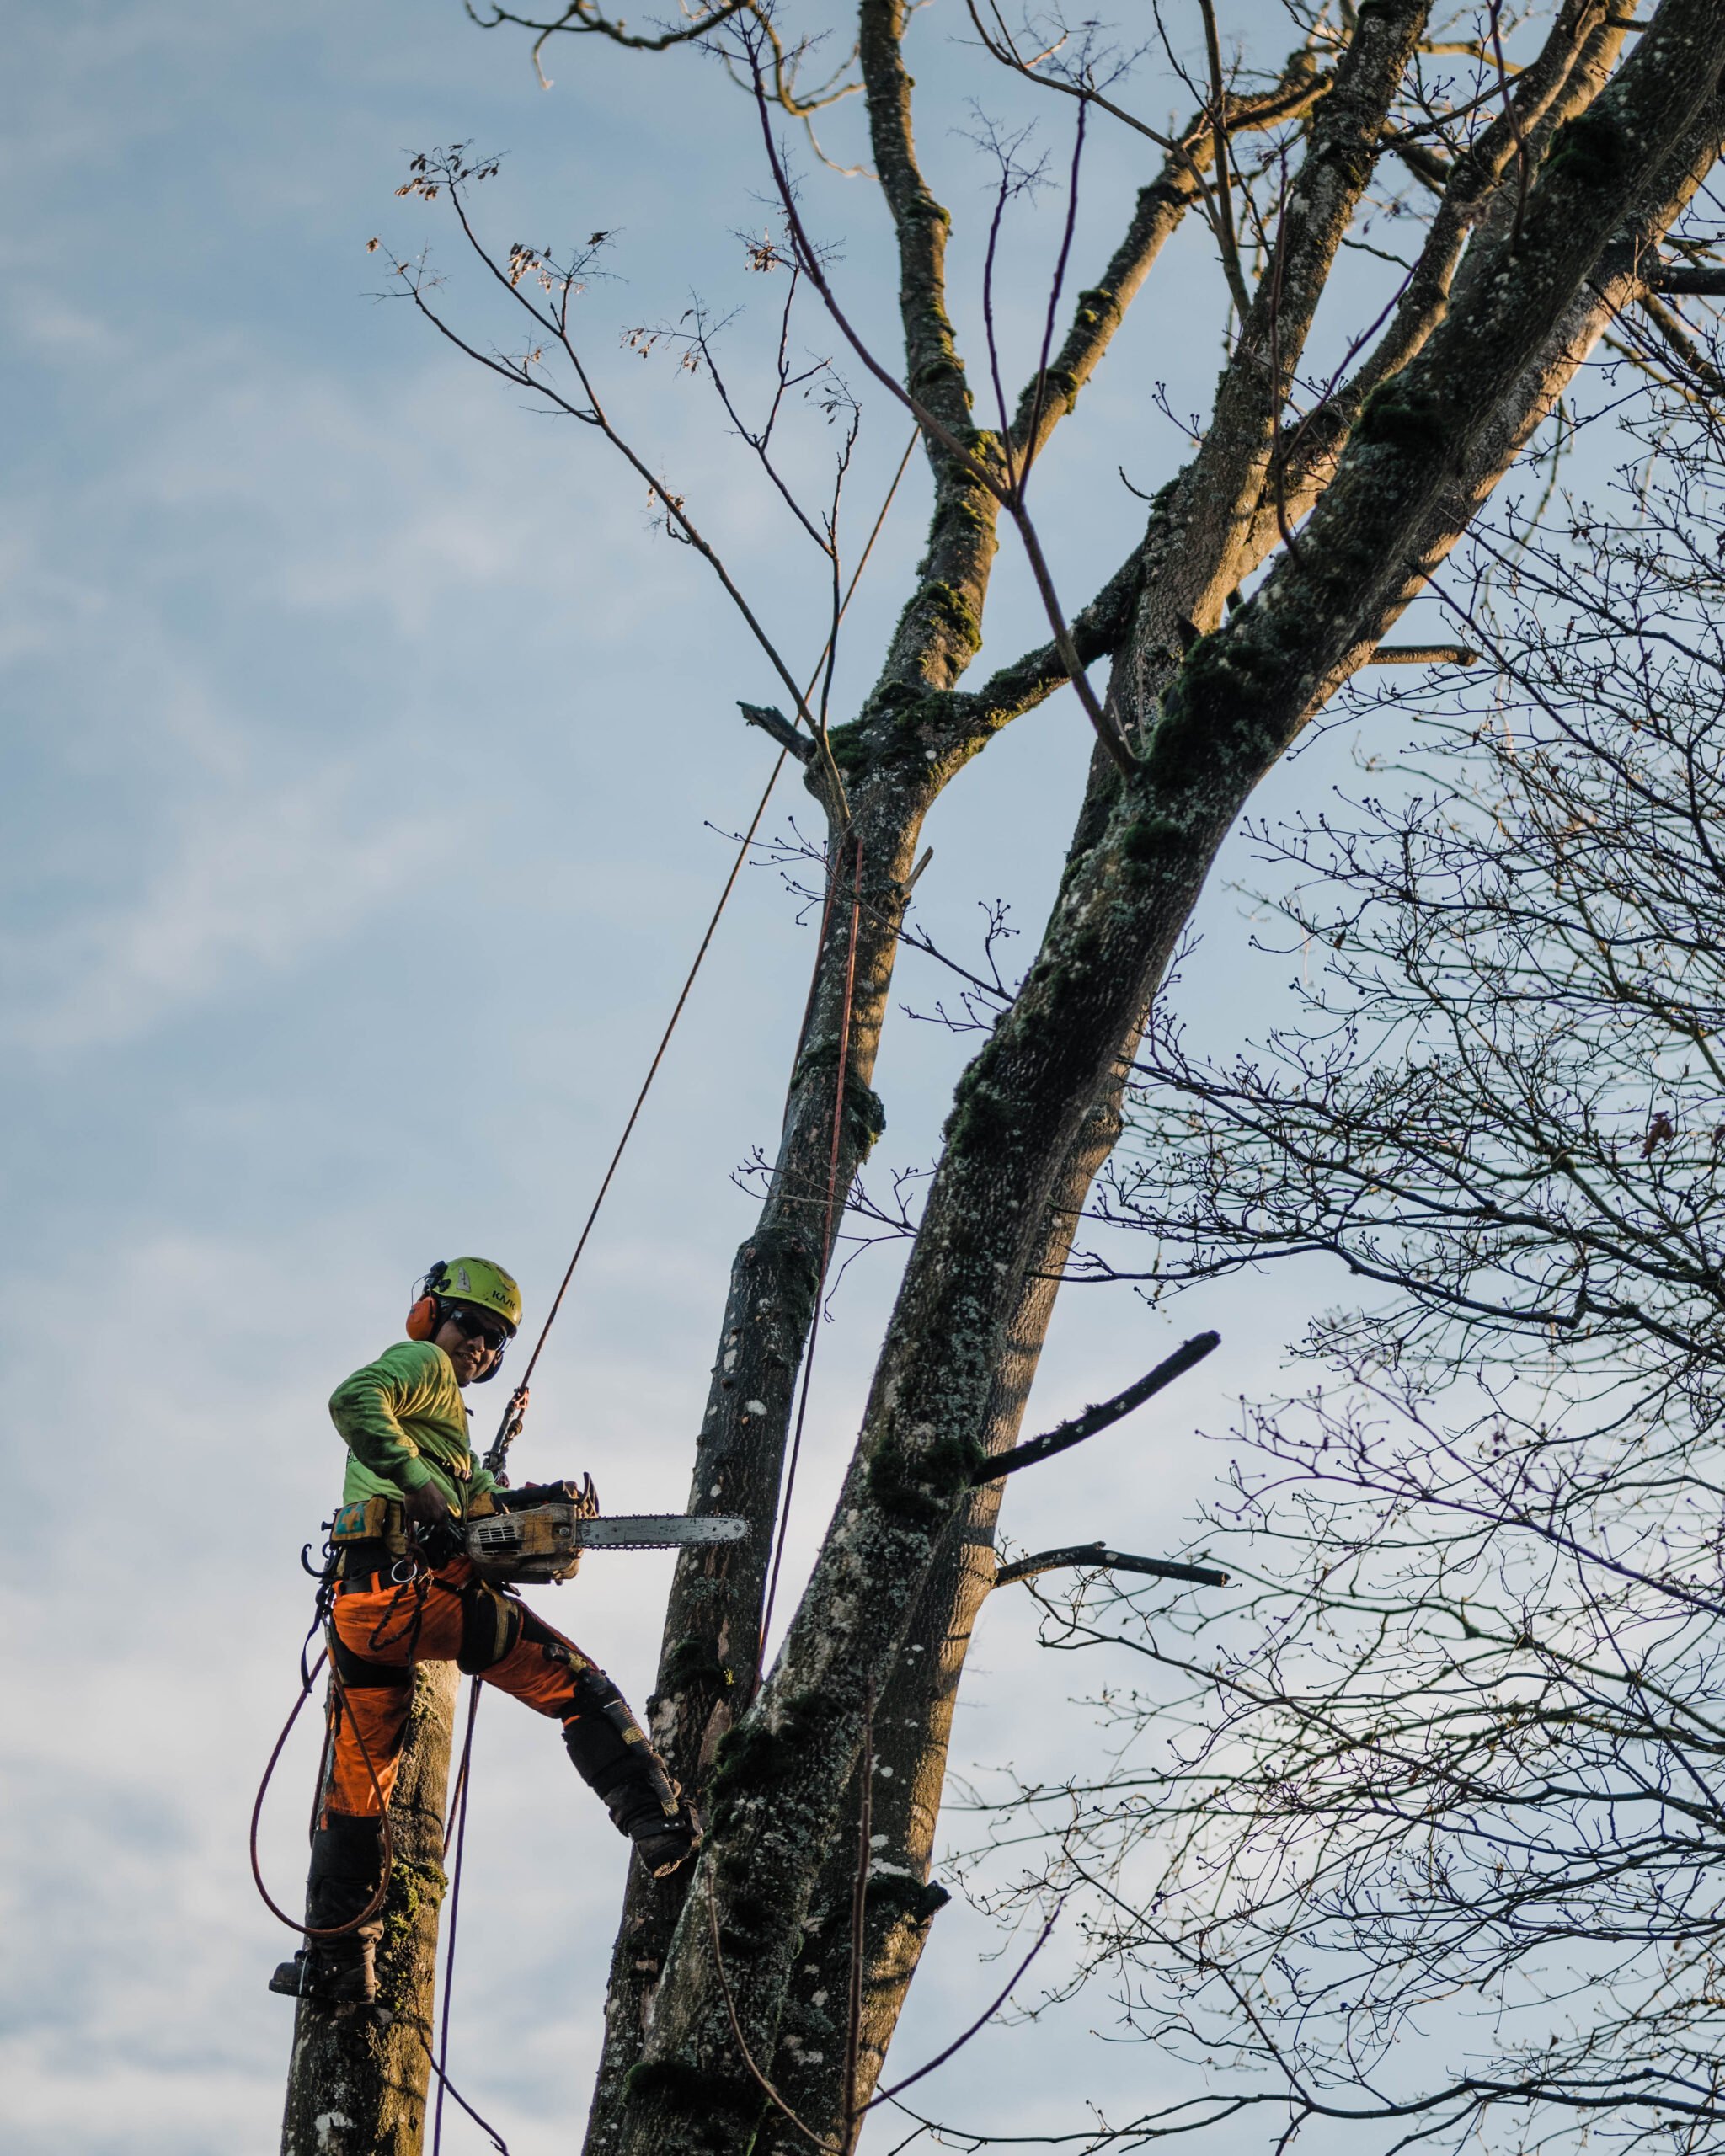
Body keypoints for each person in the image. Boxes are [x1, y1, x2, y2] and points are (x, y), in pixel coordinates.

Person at [269, 1256, 699, 2007]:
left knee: (361, 1786)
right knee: (576, 1684)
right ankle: (659, 1822)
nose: (483, 1348)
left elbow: (481, 1504)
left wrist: (531, 1503)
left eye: (497, 1340)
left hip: (364, 1616)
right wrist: (420, 1485)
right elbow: (353, 1399)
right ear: (434, 1315)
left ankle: (340, 1960)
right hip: (415, 1593)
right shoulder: (422, 1364)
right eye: (474, 1326)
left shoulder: (454, 1444)